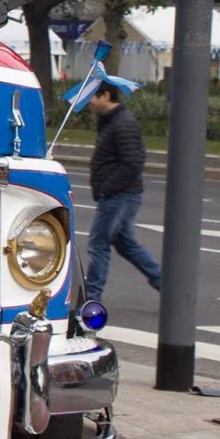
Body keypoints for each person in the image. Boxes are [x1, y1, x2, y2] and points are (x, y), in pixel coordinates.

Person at [84, 81, 161, 303]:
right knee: (126, 245)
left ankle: (92, 298)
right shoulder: (110, 122)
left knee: (98, 244)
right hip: (120, 193)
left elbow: (133, 163)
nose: (89, 102)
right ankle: (164, 283)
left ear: (105, 96)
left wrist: (107, 189)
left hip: (119, 194)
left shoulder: (122, 123)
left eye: (93, 97)